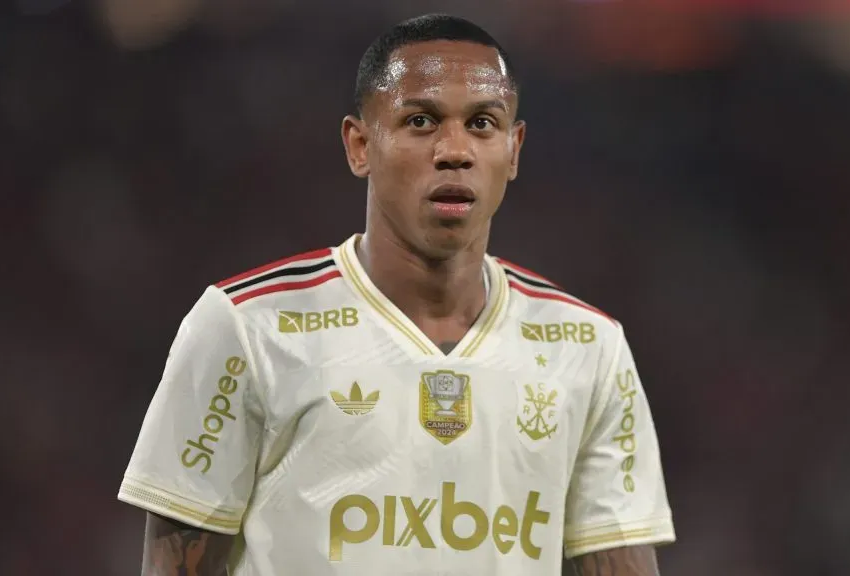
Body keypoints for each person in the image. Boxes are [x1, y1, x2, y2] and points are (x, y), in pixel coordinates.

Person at [118, 13, 675, 576]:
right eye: (421, 121)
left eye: (482, 123)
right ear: (360, 145)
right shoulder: (246, 328)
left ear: (513, 149)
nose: (455, 150)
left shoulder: (587, 347)